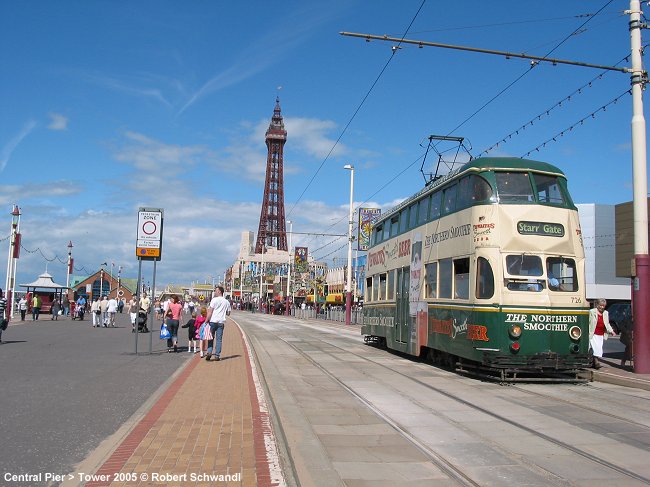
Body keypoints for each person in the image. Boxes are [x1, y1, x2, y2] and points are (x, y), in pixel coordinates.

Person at [205, 286, 231, 362]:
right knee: (219, 340)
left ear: (220, 291)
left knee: (210, 338)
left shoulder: (214, 300)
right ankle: (217, 355)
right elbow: (228, 313)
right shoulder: (227, 302)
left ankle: (209, 352)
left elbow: (210, 312)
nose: (215, 292)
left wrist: (206, 321)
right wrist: (223, 311)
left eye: (216, 291)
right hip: (221, 322)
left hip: (213, 321)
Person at [588, 298, 616, 369]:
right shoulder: (592, 312)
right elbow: (588, 321)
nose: (602, 307)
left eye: (603, 306)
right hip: (593, 333)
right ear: (597, 305)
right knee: (595, 348)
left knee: (599, 349)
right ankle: (596, 362)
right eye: (600, 305)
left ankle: (593, 362)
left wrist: (612, 331)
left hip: (601, 334)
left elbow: (607, 324)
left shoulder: (606, 313)